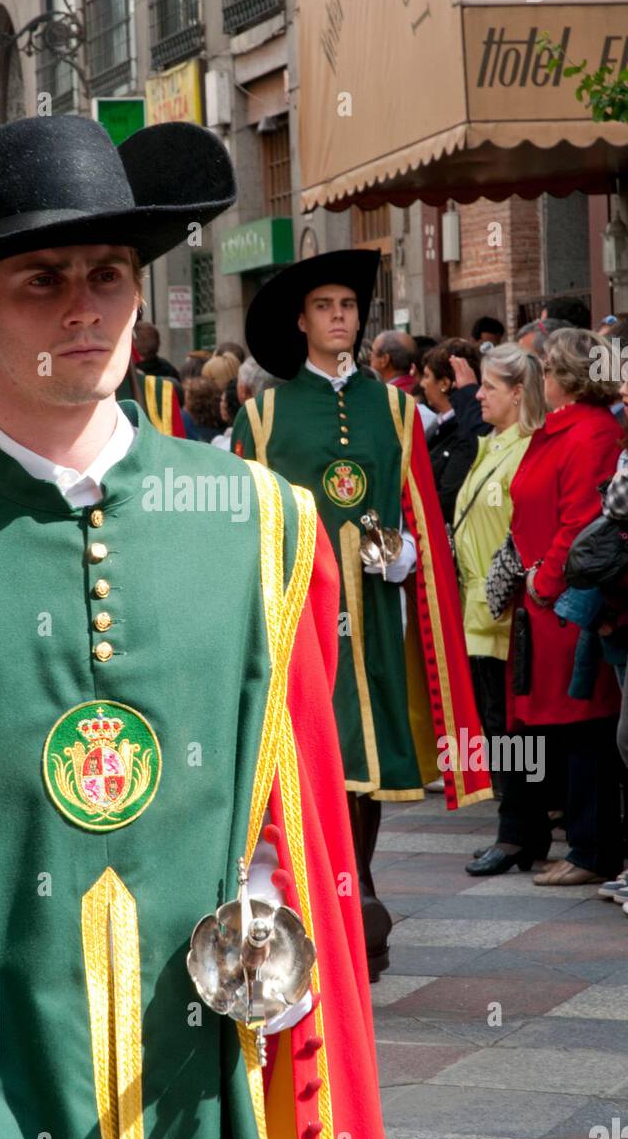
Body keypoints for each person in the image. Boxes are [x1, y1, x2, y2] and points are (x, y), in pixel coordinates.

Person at [0, 114, 384, 1139]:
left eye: (107, 274)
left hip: (200, 1089)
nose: (84, 307)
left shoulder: (263, 527)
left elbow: (297, 809)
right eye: (41, 281)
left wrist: (273, 934)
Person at [230, 251, 490, 980]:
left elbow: (412, 505)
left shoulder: (397, 407)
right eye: (324, 305)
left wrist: (404, 553)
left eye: (348, 304)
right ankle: (326, 899)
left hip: (372, 608)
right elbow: (243, 518)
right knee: (320, 744)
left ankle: (361, 889)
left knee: (369, 756)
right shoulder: (265, 411)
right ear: (301, 321)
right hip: (299, 609)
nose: (339, 315)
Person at [472, 329, 625, 883]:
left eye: (547, 369)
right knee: (529, 725)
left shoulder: (591, 434)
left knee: (583, 726)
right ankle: (523, 833)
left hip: (563, 604)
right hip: (537, 602)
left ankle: (589, 849)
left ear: (564, 379)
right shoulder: (557, 430)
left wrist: (545, 581)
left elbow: (582, 520)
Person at [454, 346, 545, 828]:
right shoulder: (490, 443)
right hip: (477, 611)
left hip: (505, 612)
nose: (478, 395)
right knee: (496, 723)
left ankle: (520, 824)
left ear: (516, 392)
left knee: (511, 725)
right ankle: (514, 821)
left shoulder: (525, 447)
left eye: (488, 387)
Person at [420, 338, 482, 523]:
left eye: (427, 376)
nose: (422, 384)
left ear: (444, 383)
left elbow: (447, 501)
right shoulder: (439, 427)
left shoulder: (463, 431)